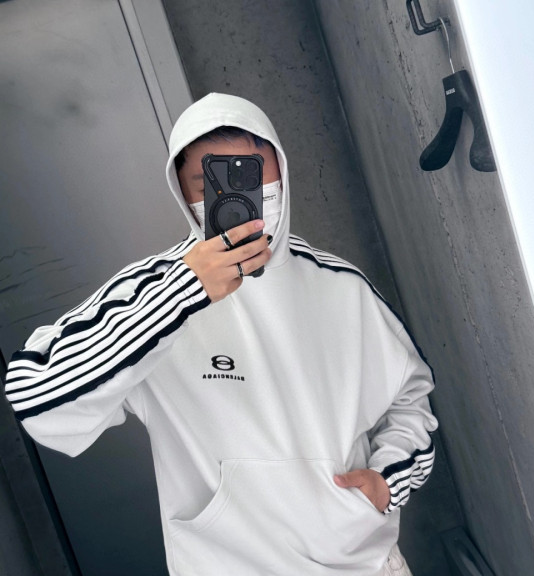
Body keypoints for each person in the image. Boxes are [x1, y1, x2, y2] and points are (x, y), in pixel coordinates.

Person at [4, 93, 437, 576]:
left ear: (281, 170)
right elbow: (37, 400)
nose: (233, 194)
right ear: (182, 191)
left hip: (365, 565)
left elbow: (410, 398)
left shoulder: (341, 286)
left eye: (250, 173)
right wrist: (182, 294)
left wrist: (388, 479)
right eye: (208, 180)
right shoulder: (150, 293)